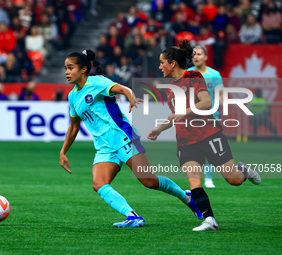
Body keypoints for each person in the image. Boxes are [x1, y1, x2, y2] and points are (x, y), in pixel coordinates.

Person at [59, 49, 203, 228]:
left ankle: (186, 196)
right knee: (99, 184)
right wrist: (63, 150)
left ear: (83, 69)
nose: (66, 72)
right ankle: (132, 215)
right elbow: (74, 126)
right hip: (104, 147)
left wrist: (130, 95)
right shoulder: (73, 96)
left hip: (123, 138)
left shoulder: (97, 82)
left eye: (70, 68)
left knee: (149, 181)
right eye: (65, 68)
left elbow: (120, 88)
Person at [147, 40, 261, 231]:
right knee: (194, 182)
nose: (160, 67)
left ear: (173, 63)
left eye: (162, 62)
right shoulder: (170, 88)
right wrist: (160, 128)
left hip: (209, 134)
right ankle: (210, 220)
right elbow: (176, 115)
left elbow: (207, 102)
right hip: (185, 141)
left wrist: (185, 112)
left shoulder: (193, 75)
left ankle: (243, 170)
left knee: (234, 180)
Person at [187, 45, 223, 188]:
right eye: (194, 54)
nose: (196, 56)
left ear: (206, 57)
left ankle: (208, 178)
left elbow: (220, 94)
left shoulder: (214, 75)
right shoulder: (187, 74)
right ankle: (196, 179)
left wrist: (220, 102)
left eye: (199, 54)